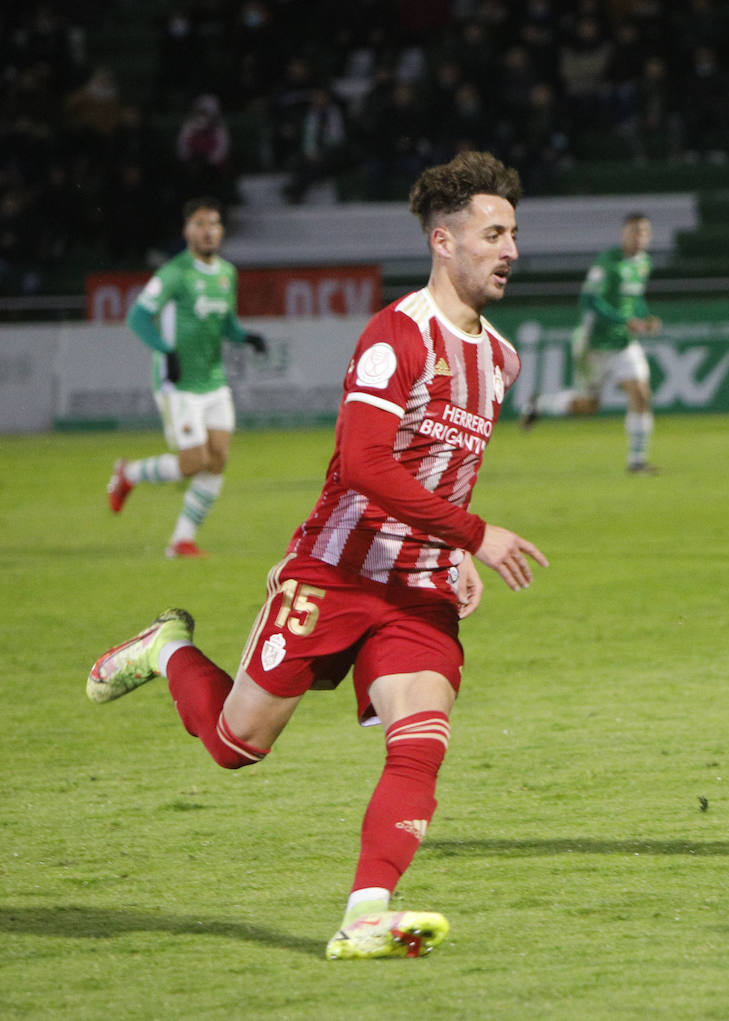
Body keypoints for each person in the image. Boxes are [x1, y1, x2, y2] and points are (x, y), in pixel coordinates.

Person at [86, 152, 549, 960]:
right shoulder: (393, 338)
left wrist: (453, 545)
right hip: (334, 571)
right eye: (494, 233)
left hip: (417, 589)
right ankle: (167, 649)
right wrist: (476, 535)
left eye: (513, 233)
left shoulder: (501, 360)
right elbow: (367, 465)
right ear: (444, 241)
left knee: (422, 733)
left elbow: (445, 469)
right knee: (237, 745)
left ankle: (366, 911)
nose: (511, 248)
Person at [106, 197, 267, 558]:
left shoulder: (227, 273)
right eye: (199, 224)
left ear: (221, 230)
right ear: (187, 231)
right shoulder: (173, 273)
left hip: (213, 380)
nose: (207, 230)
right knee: (192, 462)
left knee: (218, 459)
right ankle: (129, 473)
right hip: (177, 384)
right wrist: (167, 350)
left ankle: (182, 540)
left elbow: (226, 323)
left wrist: (247, 337)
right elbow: (136, 318)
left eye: (213, 223)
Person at [521, 213, 662, 473]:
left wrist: (644, 318)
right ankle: (539, 404)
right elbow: (589, 300)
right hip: (593, 345)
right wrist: (624, 319)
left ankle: (637, 461)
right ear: (623, 234)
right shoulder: (608, 263)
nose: (639, 237)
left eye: (644, 232)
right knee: (588, 406)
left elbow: (635, 298)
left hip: (623, 343)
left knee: (641, 392)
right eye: (634, 232)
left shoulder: (643, 263)